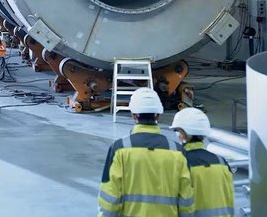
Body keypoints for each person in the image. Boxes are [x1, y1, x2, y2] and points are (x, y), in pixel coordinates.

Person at [98, 88, 195, 216]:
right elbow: (187, 200)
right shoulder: (178, 152)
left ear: (133, 115)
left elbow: (109, 198)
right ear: (158, 115)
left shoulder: (120, 149)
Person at [171, 108, 235, 217]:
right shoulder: (222, 162)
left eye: (177, 130)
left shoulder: (180, 163)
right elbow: (229, 199)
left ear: (182, 133)